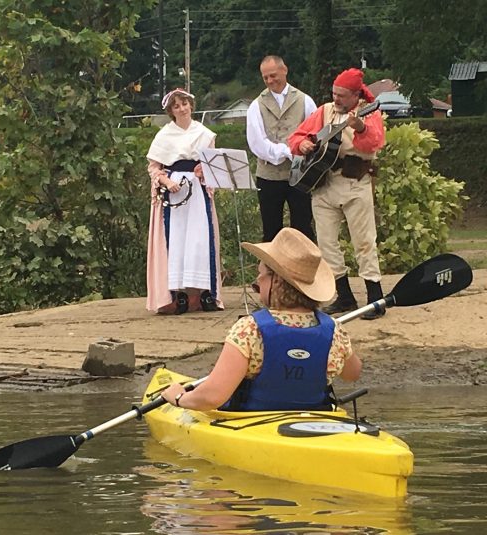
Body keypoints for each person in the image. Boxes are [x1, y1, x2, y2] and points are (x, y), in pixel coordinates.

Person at [160, 228, 361, 411]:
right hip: (316, 421)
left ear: (278, 282)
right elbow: (352, 374)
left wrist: (178, 397)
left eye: (261, 275)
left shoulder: (249, 329)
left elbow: (212, 397)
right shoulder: (334, 330)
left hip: (253, 423)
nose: (257, 281)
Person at [287, 68, 387, 320]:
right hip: (324, 182)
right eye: (334, 93)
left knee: (364, 241)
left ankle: (375, 298)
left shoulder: (370, 112)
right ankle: (343, 296)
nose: (336, 99)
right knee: (327, 243)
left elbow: (374, 143)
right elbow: (296, 136)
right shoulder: (324, 111)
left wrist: (360, 128)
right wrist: (303, 144)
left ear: (356, 96)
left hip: (355, 181)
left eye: (342, 95)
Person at [146, 88, 225, 314]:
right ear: (171, 111)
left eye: (184, 104)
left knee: (200, 240)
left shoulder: (204, 133)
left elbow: (212, 163)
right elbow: (154, 167)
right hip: (175, 191)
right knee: (177, 240)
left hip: (197, 191)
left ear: (191, 105)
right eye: (176, 106)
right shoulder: (164, 135)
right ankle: (177, 294)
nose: (181, 109)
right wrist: (166, 181)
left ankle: (204, 293)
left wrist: (204, 170)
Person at [245, 55, 317, 242]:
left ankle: (303, 269)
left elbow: (315, 132)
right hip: (268, 176)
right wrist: (286, 151)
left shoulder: (305, 101)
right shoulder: (256, 106)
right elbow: (257, 143)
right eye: (265, 77)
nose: (270, 81)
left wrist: (303, 149)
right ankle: (272, 271)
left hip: (300, 174)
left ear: (284, 70)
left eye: (273, 75)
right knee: (270, 229)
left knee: (303, 228)